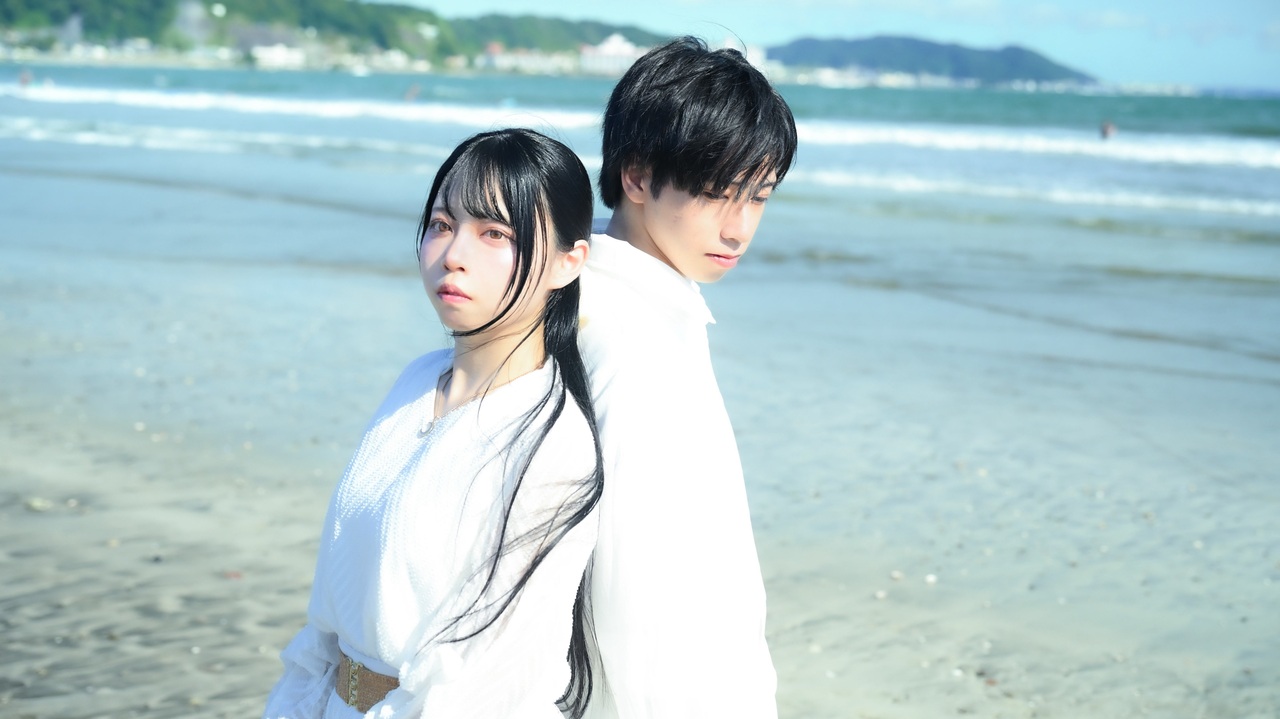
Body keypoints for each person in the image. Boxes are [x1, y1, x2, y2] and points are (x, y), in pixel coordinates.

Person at [263, 128, 604, 718]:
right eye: (442, 225)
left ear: (566, 263)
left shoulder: (553, 446)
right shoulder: (418, 381)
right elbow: (331, 624)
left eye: (494, 233)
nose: (453, 254)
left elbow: (490, 684)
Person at [578, 37, 798, 718]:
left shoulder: (603, 295)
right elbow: (630, 589)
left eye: (758, 197)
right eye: (716, 193)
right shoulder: (628, 336)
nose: (739, 229)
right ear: (637, 177)